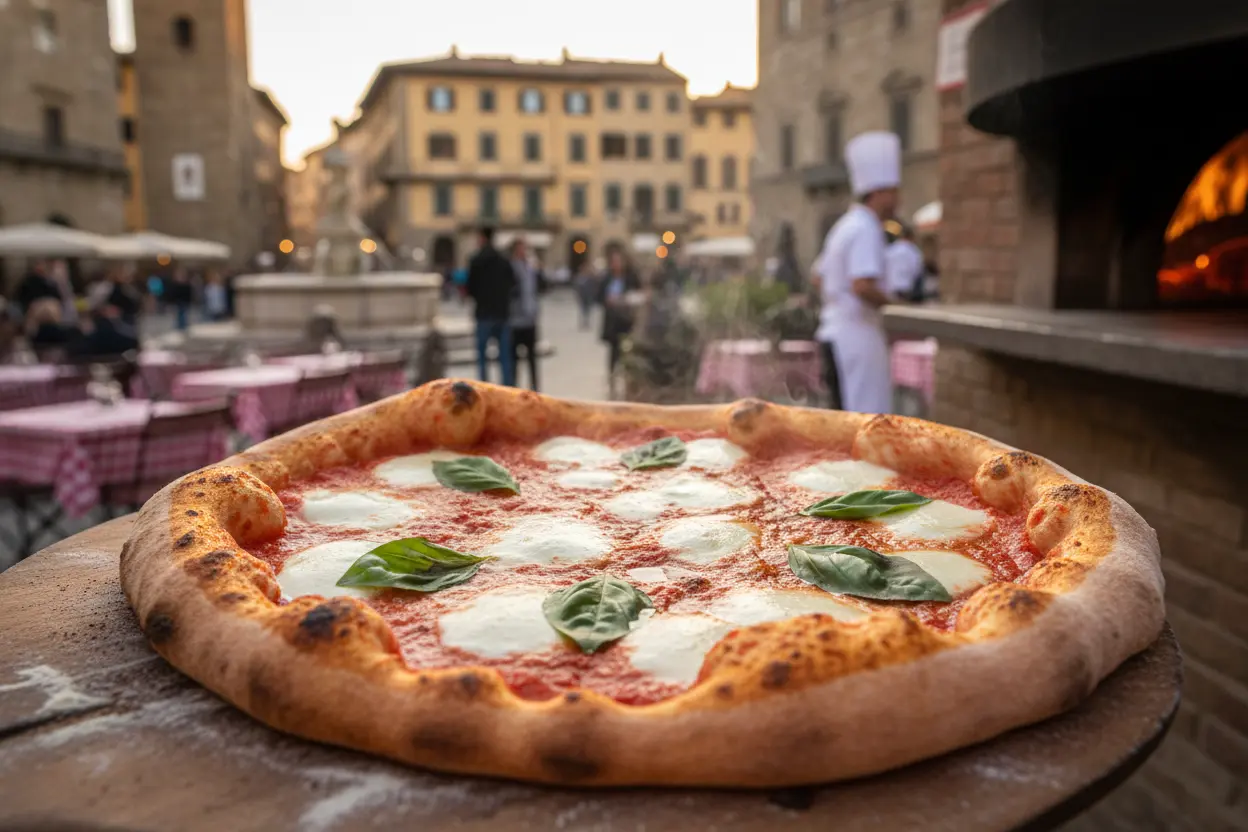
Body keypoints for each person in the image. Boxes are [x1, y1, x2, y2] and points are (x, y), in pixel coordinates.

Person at [812, 131, 902, 415]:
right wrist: (896, 307)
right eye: (894, 192)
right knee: (864, 420)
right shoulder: (866, 228)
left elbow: (818, 277)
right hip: (857, 338)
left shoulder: (844, 225)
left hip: (833, 333)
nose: (897, 199)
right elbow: (862, 285)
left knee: (841, 418)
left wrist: (836, 300)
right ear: (878, 193)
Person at [465, 227, 517, 386]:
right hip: (502, 313)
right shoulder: (504, 260)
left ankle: (483, 389)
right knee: (505, 357)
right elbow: (513, 283)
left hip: (483, 313)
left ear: (482, 238)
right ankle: (507, 389)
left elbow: (470, 288)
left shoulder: (476, 260)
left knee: (482, 357)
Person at [598, 250, 640, 379]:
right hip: (612, 319)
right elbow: (599, 296)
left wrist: (624, 299)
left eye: (619, 261)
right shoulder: (607, 278)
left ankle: (626, 374)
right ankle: (612, 374)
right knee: (613, 349)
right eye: (614, 262)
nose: (616, 264)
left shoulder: (630, 278)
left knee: (627, 347)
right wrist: (607, 300)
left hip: (627, 318)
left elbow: (637, 294)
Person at [508, 239, 544, 391]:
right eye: (521, 249)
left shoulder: (531, 267)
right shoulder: (510, 267)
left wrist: (540, 270)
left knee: (532, 357)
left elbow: (541, 287)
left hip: (530, 318)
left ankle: (535, 386)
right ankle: (514, 387)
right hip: (515, 319)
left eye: (525, 249)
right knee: (514, 358)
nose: (524, 252)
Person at [884, 223, 925, 303]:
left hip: (891, 287)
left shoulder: (891, 249)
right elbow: (916, 270)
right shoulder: (913, 251)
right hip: (906, 287)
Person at [574, 261, 598, 330]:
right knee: (582, 310)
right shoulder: (579, 277)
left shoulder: (591, 278)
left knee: (588, 310)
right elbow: (577, 287)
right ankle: (583, 323)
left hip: (589, 296)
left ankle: (587, 323)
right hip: (582, 296)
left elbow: (594, 286)